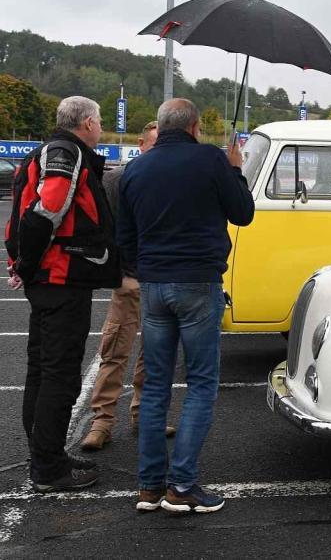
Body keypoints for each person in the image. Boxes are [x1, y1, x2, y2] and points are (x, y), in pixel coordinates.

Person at [119, 99, 254, 514]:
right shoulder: (211, 160)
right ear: (195, 126)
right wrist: (234, 168)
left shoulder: (135, 168)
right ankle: (182, 485)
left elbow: (125, 235)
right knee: (200, 384)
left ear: (160, 127)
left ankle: (149, 486)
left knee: (156, 384)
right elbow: (243, 213)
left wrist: (144, 270)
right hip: (198, 280)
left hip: (155, 283)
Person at [4, 96, 121, 492]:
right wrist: (26, 263)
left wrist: (19, 259)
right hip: (61, 280)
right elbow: (43, 212)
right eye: (100, 120)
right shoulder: (66, 152)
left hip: (52, 279)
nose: (101, 127)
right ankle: (48, 467)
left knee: (42, 368)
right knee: (59, 373)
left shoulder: (47, 150)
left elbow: (19, 217)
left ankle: (45, 453)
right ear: (87, 122)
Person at [81, 122, 176, 450]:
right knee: (114, 351)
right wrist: (118, 275)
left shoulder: (172, 181)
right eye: (155, 143)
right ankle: (102, 421)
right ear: (140, 144)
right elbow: (102, 231)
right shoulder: (116, 179)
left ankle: (144, 416)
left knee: (155, 356)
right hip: (129, 280)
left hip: (160, 281)